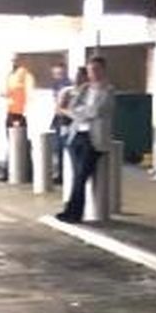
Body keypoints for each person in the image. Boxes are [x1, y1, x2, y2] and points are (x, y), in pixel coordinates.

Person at [56, 56, 114, 224]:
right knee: (77, 176)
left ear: (103, 70)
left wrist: (73, 112)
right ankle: (73, 211)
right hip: (77, 135)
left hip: (94, 139)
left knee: (81, 176)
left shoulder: (108, 91)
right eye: (90, 70)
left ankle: (72, 211)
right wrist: (77, 112)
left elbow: (94, 112)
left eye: (96, 70)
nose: (93, 74)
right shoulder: (84, 89)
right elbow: (74, 106)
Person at [0, 55, 35, 182]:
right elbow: (8, 91)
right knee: (12, 143)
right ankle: (10, 171)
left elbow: (28, 94)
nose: (13, 62)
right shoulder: (11, 75)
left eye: (15, 60)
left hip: (19, 113)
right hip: (10, 111)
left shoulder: (24, 74)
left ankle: (24, 172)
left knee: (19, 143)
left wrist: (24, 112)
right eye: (12, 60)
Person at [48, 63, 74, 184]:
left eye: (59, 73)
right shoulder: (56, 85)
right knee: (57, 147)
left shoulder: (68, 86)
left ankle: (64, 174)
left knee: (63, 146)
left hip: (66, 119)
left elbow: (66, 104)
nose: (57, 76)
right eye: (55, 74)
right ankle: (60, 173)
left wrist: (62, 110)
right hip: (59, 118)